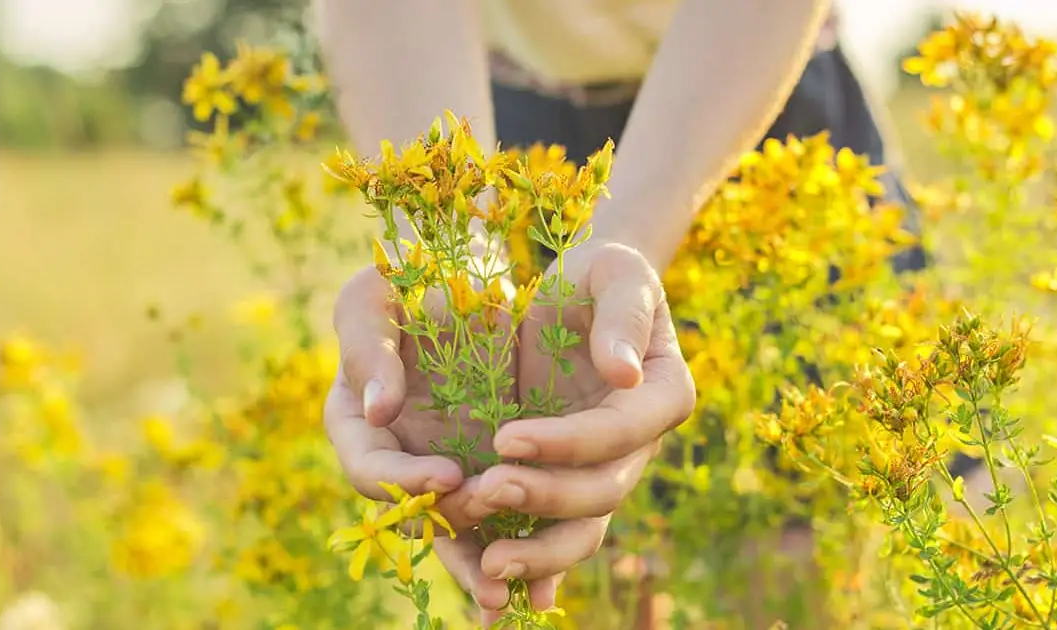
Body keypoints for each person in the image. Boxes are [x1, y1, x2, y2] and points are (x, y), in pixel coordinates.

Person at [314, 0, 968, 626]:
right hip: (487, 114)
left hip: (754, 96)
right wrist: (442, 260)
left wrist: (622, 240)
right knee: (556, 578)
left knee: (795, 580)